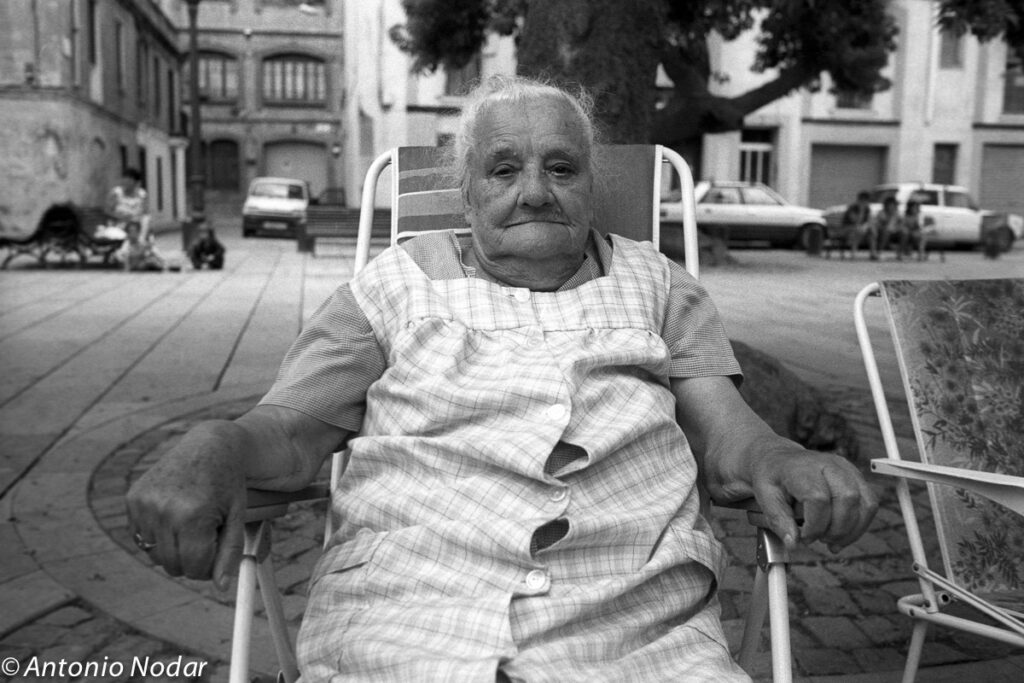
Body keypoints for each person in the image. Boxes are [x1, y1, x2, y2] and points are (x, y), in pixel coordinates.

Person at [126, 76, 877, 682]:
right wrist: (218, 442)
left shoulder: (661, 286)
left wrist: (778, 456)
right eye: (504, 169)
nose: (536, 191)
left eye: (560, 167)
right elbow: (288, 434)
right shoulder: (387, 288)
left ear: (590, 185)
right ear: (467, 193)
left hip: (634, 625)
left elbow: (728, 433)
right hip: (407, 615)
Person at [106, 167, 151, 243]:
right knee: (131, 228)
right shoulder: (116, 193)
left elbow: (146, 212)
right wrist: (120, 216)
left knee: (146, 219)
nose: (126, 182)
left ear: (136, 182)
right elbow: (107, 211)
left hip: (138, 224)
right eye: (124, 179)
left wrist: (137, 219)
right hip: (121, 223)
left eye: (130, 180)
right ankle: (138, 243)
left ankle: (141, 241)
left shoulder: (142, 194)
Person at [834, 191, 872, 259]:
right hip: (846, 228)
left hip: (859, 229)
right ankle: (853, 253)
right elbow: (854, 221)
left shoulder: (867, 209)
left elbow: (868, 221)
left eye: (866, 201)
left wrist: (865, 226)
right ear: (859, 200)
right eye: (863, 200)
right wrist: (861, 211)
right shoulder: (852, 208)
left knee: (871, 231)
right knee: (856, 231)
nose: (865, 202)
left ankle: (873, 253)